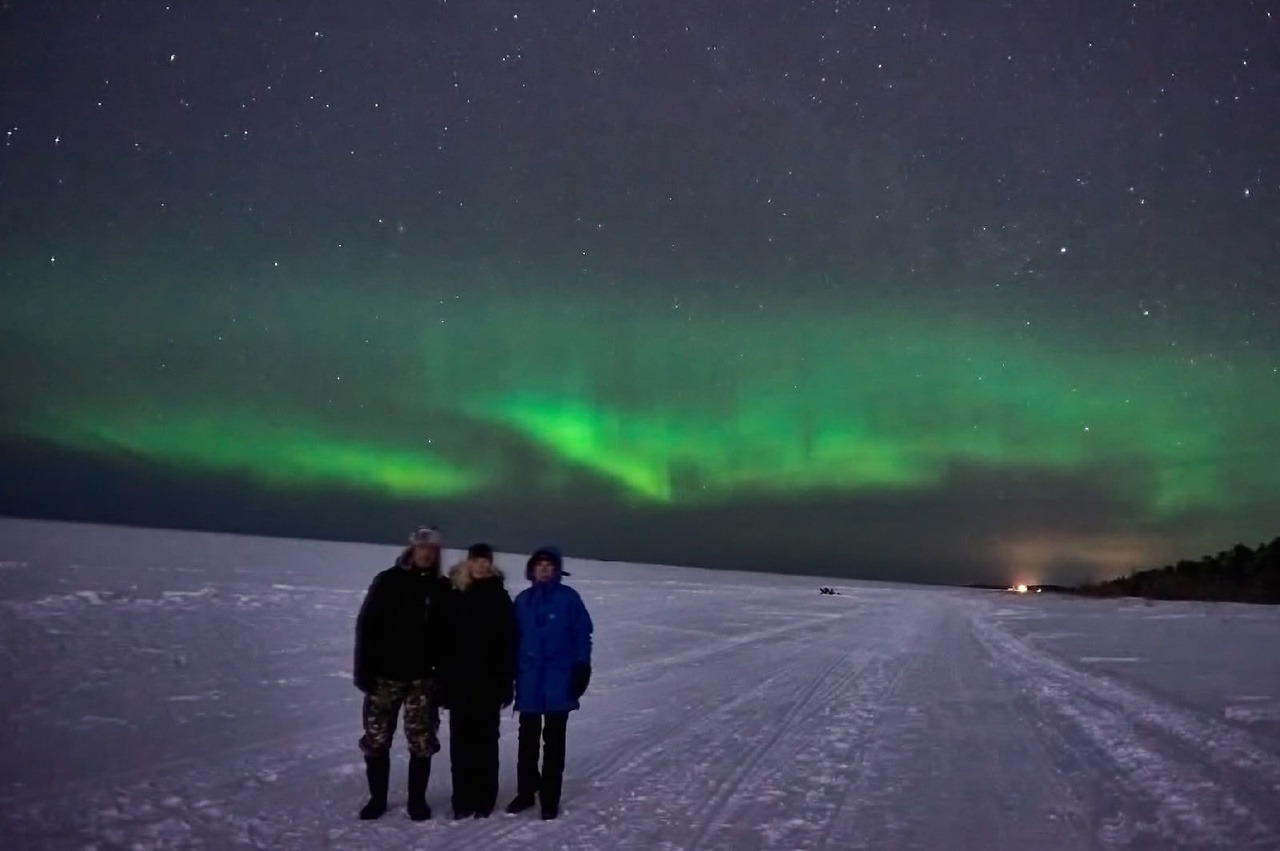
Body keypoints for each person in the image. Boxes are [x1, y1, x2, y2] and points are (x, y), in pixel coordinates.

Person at [352, 525, 451, 821]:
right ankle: (377, 799)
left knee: (421, 741)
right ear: (412, 549)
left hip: (422, 678)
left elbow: (449, 636)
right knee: (376, 738)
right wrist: (363, 670)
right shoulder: (387, 581)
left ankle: (416, 801)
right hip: (384, 676)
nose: (426, 553)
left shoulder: (441, 588)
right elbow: (366, 626)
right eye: (421, 548)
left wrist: (443, 677)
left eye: (432, 550)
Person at [506, 545, 594, 820]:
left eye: (549, 565)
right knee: (527, 741)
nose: (543, 569)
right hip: (529, 679)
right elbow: (511, 639)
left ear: (556, 570)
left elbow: (582, 634)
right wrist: (509, 670)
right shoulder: (522, 601)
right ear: (532, 570)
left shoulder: (568, 599)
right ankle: (525, 792)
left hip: (560, 679)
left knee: (554, 743)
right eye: (539, 565)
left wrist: (582, 666)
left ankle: (549, 798)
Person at [439, 543, 517, 820]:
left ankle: (484, 798)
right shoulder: (453, 593)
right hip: (459, 682)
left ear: (490, 565)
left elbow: (509, 644)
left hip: (489, 683)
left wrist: (507, 682)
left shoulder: (500, 597)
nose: (481, 566)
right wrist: (442, 681)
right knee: (460, 745)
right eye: (477, 561)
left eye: (486, 562)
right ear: (468, 563)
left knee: (486, 744)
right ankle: (462, 799)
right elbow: (441, 641)